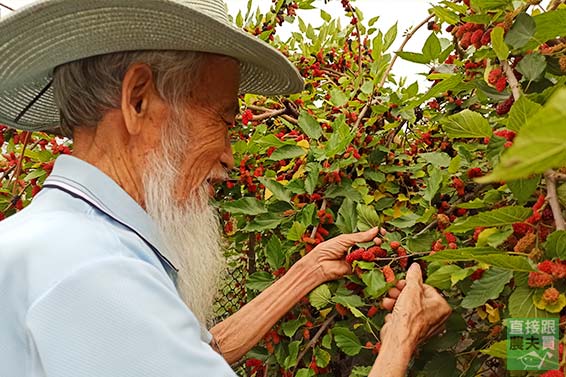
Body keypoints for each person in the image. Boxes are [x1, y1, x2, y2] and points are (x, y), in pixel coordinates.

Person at [0, 1, 451, 376]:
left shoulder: (58, 242)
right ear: (138, 99)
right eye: (225, 120)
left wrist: (309, 271)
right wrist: (401, 336)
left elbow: (191, 355)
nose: (230, 156)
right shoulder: (95, 271)